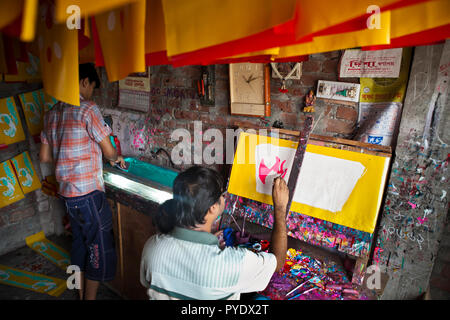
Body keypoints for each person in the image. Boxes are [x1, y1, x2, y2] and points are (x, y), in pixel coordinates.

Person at [39, 63, 126, 300]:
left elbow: (44, 157)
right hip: (88, 194)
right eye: (92, 88)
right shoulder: (87, 109)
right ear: (84, 82)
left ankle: (79, 294)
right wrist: (116, 157)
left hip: (67, 194)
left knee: (79, 244)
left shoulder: (51, 113)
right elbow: (109, 152)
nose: (91, 94)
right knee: (97, 246)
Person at [140, 166, 289, 300]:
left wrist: (208, 242)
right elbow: (277, 261)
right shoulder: (230, 265)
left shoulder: (153, 247)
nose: (224, 197)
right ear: (212, 208)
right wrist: (280, 208)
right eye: (222, 194)